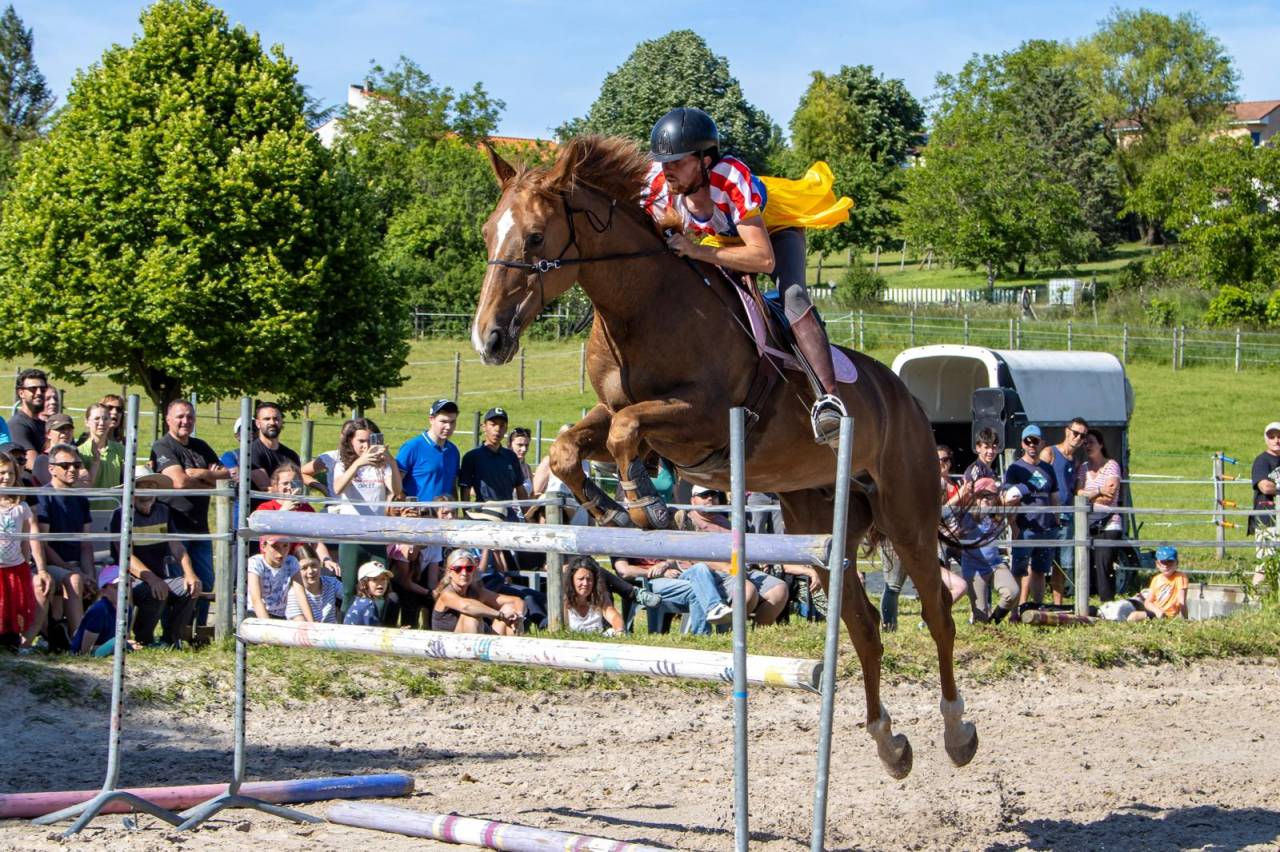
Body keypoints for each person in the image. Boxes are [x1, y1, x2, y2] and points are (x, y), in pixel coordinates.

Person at [643, 107, 849, 445]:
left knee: (793, 296)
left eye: (678, 162)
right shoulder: (658, 184)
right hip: (722, 239)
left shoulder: (730, 177)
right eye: (665, 163)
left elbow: (764, 259)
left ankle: (829, 400)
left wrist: (697, 251)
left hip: (775, 232)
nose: (668, 171)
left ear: (705, 160)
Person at [150, 399, 230, 627]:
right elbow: (179, 482)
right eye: (180, 417)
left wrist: (203, 473)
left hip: (200, 527)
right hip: (174, 526)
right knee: (181, 582)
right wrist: (210, 481)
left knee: (206, 580)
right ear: (168, 419)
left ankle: (199, 630)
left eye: (190, 417)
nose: (186, 421)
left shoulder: (201, 446)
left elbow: (228, 476)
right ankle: (174, 631)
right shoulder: (162, 446)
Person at [111, 466, 200, 647]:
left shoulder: (164, 511)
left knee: (190, 588)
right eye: (141, 486)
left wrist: (190, 573)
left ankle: (171, 639)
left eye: (151, 486)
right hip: (132, 580)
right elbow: (125, 555)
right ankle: (144, 639)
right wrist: (151, 578)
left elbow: (177, 547)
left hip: (160, 578)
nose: (147, 492)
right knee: (155, 591)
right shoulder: (121, 515)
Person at [331, 417, 398, 613]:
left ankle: (376, 631)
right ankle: (345, 632)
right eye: (361, 441)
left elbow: (396, 489)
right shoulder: (343, 464)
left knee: (380, 587)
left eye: (370, 440)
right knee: (350, 589)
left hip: (376, 535)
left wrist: (391, 461)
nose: (366, 445)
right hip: (351, 536)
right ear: (350, 441)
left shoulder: (381, 466)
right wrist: (359, 463)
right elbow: (338, 488)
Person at [34, 443, 93, 643]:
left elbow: (85, 544)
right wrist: (74, 571)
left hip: (75, 565)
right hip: (51, 564)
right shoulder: (44, 496)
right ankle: (79, 640)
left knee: (112, 583)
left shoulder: (81, 499)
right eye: (65, 465)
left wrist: (91, 575)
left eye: (77, 465)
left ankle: (110, 638)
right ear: (51, 469)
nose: (72, 470)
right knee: (75, 579)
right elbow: (43, 544)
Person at [1001, 424, 1059, 611]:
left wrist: (1056, 521)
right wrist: (1013, 525)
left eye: (1035, 441)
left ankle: (1038, 607)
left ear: (1042, 443)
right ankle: (1014, 612)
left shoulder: (1048, 469)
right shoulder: (1015, 469)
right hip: (1024, 528)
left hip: (1046, 527)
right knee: (1019, 570)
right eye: (1028, 441)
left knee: (1040, 571)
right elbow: (1007, 498)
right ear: (1022, 444)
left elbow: (1054, 497)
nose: (1032, 445)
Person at [952, 479, 1018, 624]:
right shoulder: (966, 514)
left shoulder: (998, 514)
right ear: (975, 497)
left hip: (995, 563)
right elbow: (944, 513)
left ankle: (994, 622)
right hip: (974, 568)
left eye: (990, 496)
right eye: (982, 495)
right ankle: (984, 628)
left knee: (1012, 592)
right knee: (980, 616)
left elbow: (1015, 529)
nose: (986, 500)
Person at [0, 453, 48, 651]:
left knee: (13, 609)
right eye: (1, 472)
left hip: (14, 566)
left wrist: (40, 568)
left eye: (10, 473)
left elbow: (31, 539)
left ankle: (12, 642)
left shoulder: (22, 507)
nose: (6, 477)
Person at [1041, 418, 1088, 606]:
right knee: (1039, 561)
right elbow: (1039, 480)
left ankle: (1057, 604)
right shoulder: (1049, 453)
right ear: (1066, 431)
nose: (1077, 438)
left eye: (1082, 436)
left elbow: (1075, 489)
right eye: (1075, 433)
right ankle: (1027, 603)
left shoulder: (1075, 461)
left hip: (1067, 515)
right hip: (1047, 514)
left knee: (1061, 563)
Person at [1076, 429, 1123, 602]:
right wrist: (1098, 491)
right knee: (1086, 566)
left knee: (1104, 565)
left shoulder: (1111, 465)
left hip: (1109, 523)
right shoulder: (1083, 467)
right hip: (1088, 523)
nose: (1087, 446)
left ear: (1101, 444)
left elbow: (1109, 497)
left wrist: (1087, 496)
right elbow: (1078, 494)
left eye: (1091, 442)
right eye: (1085, 442)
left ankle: (1107, 602)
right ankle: (1086, 603)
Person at [431, 549, 523, 635]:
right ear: (449, 571)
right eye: (458, 569)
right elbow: (467, 606)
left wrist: (519, 616)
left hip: (480, 637)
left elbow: (516, 601)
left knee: (510, 608)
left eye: (469, 569)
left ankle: (507, 650)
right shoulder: (446, 594)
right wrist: (500, 615)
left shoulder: (476, 591)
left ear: (474, 571)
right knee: (470, 616)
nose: (464, 573)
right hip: (450, 646)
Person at [459, 408, 528, 516]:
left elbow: (519, 487)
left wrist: (527, 516)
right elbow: (465, 489)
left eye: (502, 425)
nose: (497, 429)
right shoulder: (472, 457)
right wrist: (466, 514)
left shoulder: (511, 457)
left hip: (508, 515)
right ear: (484, 426)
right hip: (484, 516)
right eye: (493, 424)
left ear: (506, 429)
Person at [394, 399, 460, 501]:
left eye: (452, 422)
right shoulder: (412, 447)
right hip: (418, 514)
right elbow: (395, 486)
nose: (448, 427)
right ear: (431, 419)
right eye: (443, 421)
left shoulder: (453, 450)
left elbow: (452, 485)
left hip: (444, 515)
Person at [249, 401, 301, 511]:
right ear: (258, 423)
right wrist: (286, 489)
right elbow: (266, 488)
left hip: (293, 514)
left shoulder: (291, 455)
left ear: (281, 422)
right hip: (261, 516)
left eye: (276, 419)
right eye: (267, 419)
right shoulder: (251, 452)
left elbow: (298, 486)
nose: (272, 422)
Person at [1249, 421, 1280, 590]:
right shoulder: (1262, 461)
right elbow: (1264, 486)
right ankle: (1256, 600)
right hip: (1267, 520)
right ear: (1266, 439)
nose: (1276, 440)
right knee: (1264, 564)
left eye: (1279, 437)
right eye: (1272, 437)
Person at [78, 403, 126, 510]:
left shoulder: (120, 450)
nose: (101, 423)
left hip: (115, 511)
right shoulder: (80, 452)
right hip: (89, 513)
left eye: (105, 418)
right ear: (87, 422)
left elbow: (127, 481)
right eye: (96, 419)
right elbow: (84, 487)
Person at [71, 564, 125, 655]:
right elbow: (85, 650)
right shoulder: (99, 611)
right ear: (103, 591)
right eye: (116, 587)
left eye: (127, 585)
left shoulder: (127, 609)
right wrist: (119, 645)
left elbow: (124, 639)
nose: (123, 590)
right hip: (85, 652)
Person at [564, 556, 625, 635]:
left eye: (589, 579)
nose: (585, 583)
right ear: (572, 580)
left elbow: (614, 617)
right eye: (581, 579)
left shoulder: (600, 597)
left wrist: (619, 630)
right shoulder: (564, 601)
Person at [1125, 547, 1188, 621]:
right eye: (1163, 562)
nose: (1166, 565)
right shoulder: (1156, 579)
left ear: (1176, 563)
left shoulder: (1180, 577)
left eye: (1170, 562)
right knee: (1133, 616)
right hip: (1155, 612)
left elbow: (1182, 602)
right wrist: (1156, 611)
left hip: (1168, 615)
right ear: (1157, 564)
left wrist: (1186, 619)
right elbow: (1147, 602)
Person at [247, 535, 300, 620]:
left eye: (285, 546)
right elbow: (257, 599)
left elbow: (301, 595)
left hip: (280, 615)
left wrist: (311, 623)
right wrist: (268, 627)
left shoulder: (291, 562)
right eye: (275, 546)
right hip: (255, 614)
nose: (281, 552)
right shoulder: (255, 562)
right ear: (264, 546)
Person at [286, 548, 343, 623]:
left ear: (320, 564)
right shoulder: (292, 594)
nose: (310, 571)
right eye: (304, 568)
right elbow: (300, 622)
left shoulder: (331, 582)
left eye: (313, 565)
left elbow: (348, 594)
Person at [9, 369, 49, 470]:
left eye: (43, 389)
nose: (39, 392)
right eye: (33, 389)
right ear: (21, 393)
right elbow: (33, 465)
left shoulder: (45, 424)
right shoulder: (17, 425)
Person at [344, 561, 393, 626]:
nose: (380, 583)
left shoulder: (358, 600)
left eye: (383, 579)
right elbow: (375, 631)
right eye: (375, 579)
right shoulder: (368, 604)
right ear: (363, 583)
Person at [508, 427, 534, 496]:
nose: (524, 449)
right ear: (510, 444)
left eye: (526, 445)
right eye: (520, 445)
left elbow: (532, 494)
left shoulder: (527, 468)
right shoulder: (504, 465)